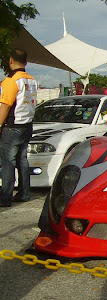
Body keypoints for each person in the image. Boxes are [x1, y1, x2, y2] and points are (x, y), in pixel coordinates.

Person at [0, 48, 38, 207]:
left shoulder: (11, 80)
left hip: (12, 126)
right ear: (26, 62)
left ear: (10, 61)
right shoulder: (31, 80)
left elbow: (5, 105)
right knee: (22, 159)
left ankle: (5, 197)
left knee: (7, 161)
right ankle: (24, 193)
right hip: (27, 125)